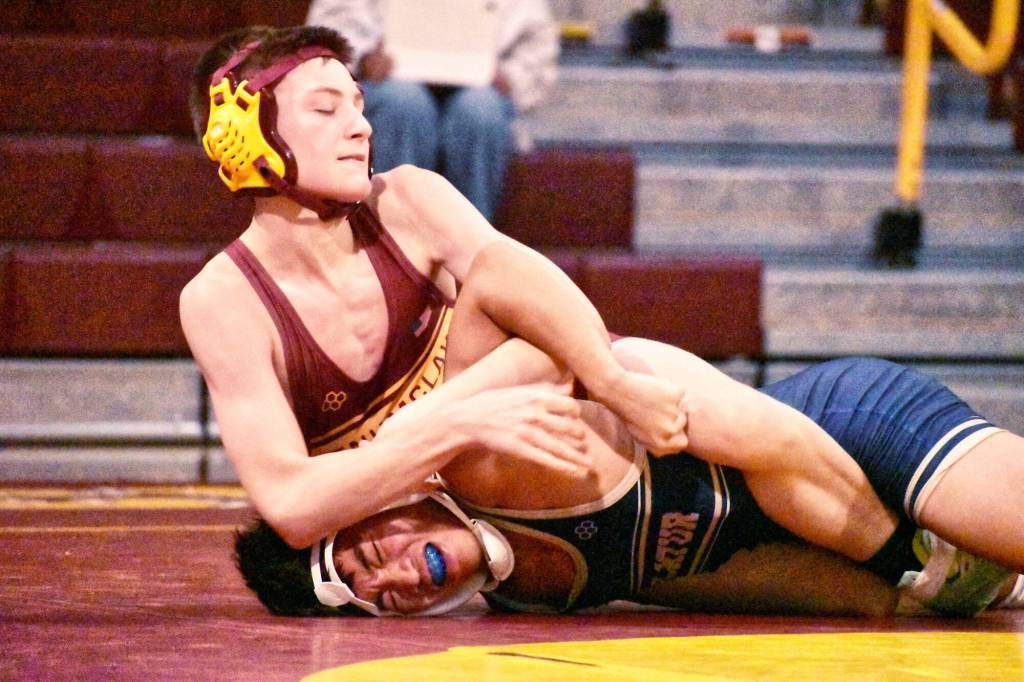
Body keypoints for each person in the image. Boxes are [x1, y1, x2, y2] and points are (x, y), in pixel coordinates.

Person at [234, 245, 1024, 617]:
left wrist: (906, 560)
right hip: (839, 533)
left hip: (854, 430)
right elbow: (712, 580)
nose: (401, 581)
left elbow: (497, 274)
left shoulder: (478, 456)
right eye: (379, 601)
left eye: (374, 557)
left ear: (376, 501)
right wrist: (890, 597)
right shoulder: (526, 595)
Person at [180, 25, 683, 551]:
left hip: (568, 455)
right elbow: (292, 506)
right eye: (326, 109)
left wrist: (428, 423)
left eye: (358, 104)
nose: (361, 128)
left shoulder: (409, 201)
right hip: (483, 538)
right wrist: (454, 426)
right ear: (239, 137)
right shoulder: (223, 301)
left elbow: (550, 339)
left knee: (695, 404)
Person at [305, 0, 559, 220]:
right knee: (403, 104)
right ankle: (392, 238)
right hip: (391, 81)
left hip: (480, 85)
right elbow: (329, 27)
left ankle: (472, 247)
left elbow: (535, 40)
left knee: (480, 113)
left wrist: (510, 77)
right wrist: (362, 59)